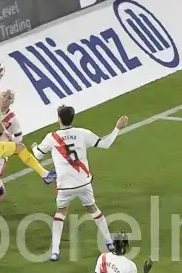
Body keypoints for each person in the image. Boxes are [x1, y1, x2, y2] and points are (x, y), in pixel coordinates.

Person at [32, 105, 128, 261]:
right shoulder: (83, 133)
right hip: (84, 183)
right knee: (93, 209)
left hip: (64, 186)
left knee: (61, 212)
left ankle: (55, 251)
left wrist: (34, 146)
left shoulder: (52, 137)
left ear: (59, 119)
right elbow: (106, 144)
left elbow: (37, 156)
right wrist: (117, 128)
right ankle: (109, 242)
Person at [0, 89, 24, 200]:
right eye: (4, 95)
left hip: (1, 152)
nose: (5, 99)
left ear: (11, 102)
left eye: (9, 98)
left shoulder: (13, 119)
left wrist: (10, 145)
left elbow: (19, 137)